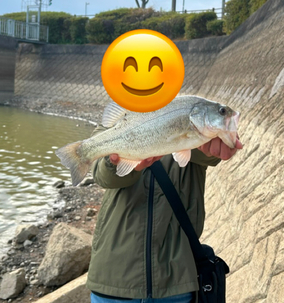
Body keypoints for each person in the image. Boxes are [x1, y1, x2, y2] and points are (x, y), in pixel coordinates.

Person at [86, 123, 243, 303]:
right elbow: (102, 175)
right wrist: (115, 160)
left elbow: (211, 152)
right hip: (113, 280)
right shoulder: (117, 120)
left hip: (177, 281)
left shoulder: (190, 116)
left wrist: (224, 139)